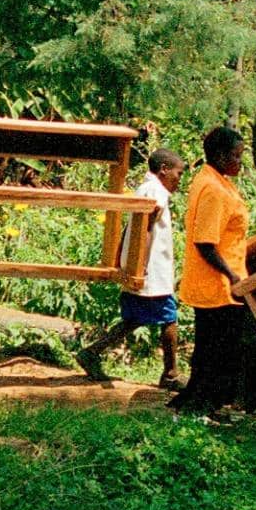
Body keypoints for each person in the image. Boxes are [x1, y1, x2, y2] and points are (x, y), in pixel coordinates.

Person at [166, 126, 256, 421]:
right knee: (231, 349)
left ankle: (212, 400)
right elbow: (205, 242)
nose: (241, 161)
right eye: (236, 156)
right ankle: (218, 403)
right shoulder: (213, 189)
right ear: (219, 155)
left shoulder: (215, 180)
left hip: (221, 280)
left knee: (214, 350)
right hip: (218, 283)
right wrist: (231, 275)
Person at [78, 147, 185, 389]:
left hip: (139, 265)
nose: (179, 180)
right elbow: (144, 228)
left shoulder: (146, 188)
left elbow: (130, 228)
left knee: (134, 319)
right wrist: (141, 265)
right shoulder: (156, 191)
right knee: (169, 318)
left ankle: (92, 352)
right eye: (178, 174)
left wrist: (120, 257)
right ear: (164, 170)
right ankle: (171, 374)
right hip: (150, 271)